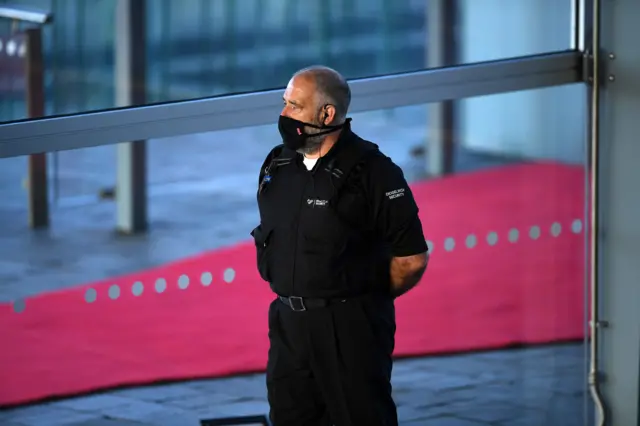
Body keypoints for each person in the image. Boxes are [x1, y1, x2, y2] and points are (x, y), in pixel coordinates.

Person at [251, 65, 429, 426]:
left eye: (295, 106)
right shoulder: (278, 164)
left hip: (350, 327)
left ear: (326, 114)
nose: (284, 115)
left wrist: (363, 299)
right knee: (289, 418)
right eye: (284, 103)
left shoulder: (375, 173)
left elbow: (411, 260)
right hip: (288, 324)